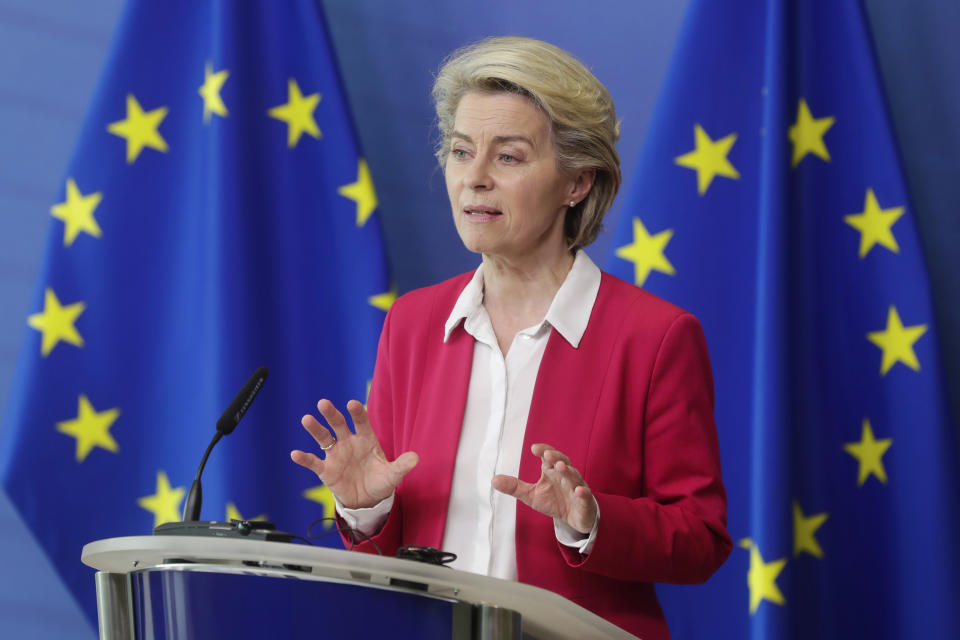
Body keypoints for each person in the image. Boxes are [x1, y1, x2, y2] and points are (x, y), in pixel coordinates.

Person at [291, 36, 731, 640]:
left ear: (577, 181)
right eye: (460, 151)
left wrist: (591, 519)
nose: (474, 179)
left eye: (509, 157)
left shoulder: (655, 337)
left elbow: (701, 539)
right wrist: (367, 508)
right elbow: (391, 552)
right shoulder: (413, 323)